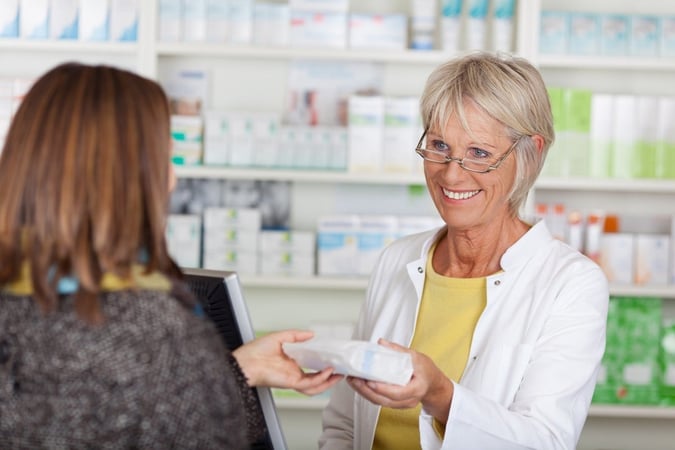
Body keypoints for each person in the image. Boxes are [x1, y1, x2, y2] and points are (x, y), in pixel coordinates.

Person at [0, 62, 341, 449]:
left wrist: (226, 371)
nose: (173, 178)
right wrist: (199, 371)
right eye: (165, 158)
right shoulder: (152, 331)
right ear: (128, 178)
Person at [319, 52, 609, 450]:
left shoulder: (570, 284)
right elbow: (343, 424)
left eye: (479, 153)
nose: (451, 174)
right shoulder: (397, 259)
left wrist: (441, 396)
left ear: (531, 153)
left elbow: (546, 441)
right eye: (439, 145)